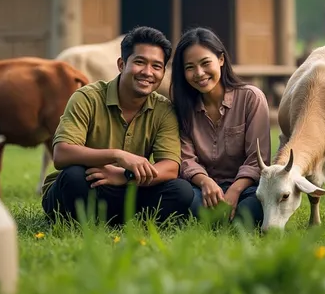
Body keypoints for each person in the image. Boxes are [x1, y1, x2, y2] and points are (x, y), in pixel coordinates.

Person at [42, 26, 194, 226]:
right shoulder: (87, 97)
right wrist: (117, 156)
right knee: (74, 176)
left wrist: (124, 176)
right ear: (122, 64)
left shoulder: (164, 109)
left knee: (181, 190)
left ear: (163, 71)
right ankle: (101, 219)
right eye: (139, 62)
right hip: (88, 184)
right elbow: (62, 154)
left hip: (128, 186)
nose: (148, 72)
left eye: (156, 66)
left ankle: (109, 220)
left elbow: (170, 168)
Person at [171, 27, 271, 228]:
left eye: (205, 63)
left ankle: (228, 217)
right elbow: (186, 160)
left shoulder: (251, 98)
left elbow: (257, 159)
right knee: (185, 199)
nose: (199, 73)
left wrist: (234, 190)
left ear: (221, 60)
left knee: (254, 208)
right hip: (202, 189)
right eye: (189, 67)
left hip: (246, 188)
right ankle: (215, 217)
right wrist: (206, 183)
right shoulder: (182, 108)